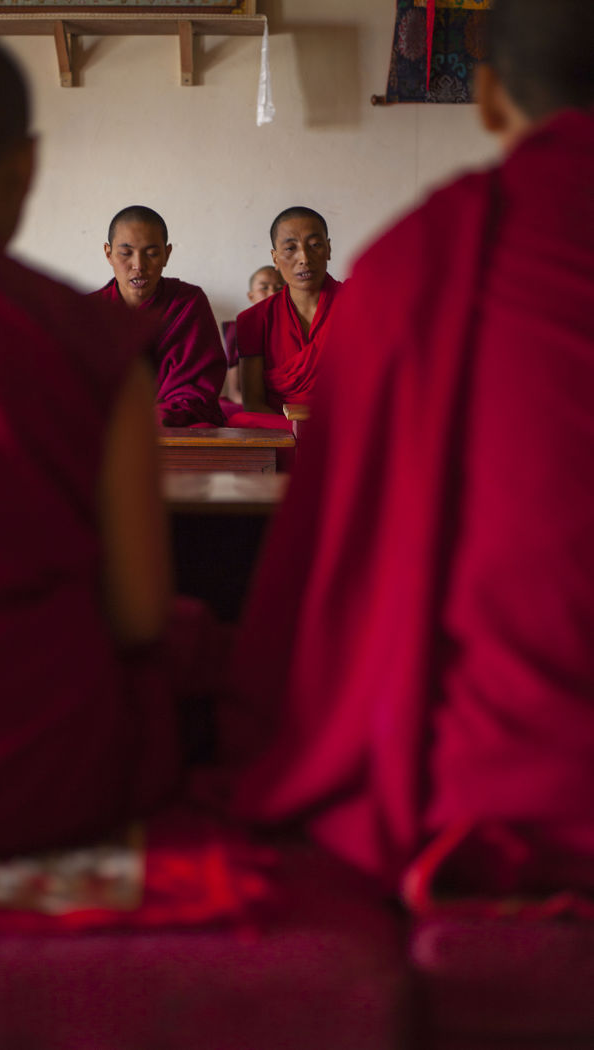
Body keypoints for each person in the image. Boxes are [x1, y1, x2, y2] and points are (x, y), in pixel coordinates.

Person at [220, 0, 594, 901]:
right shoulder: (291, 307)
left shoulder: (417, 262)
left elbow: (337, 544)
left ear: (493, 99)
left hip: (490, 770)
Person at [0, 27, 208, 861]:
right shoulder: (90, 336)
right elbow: (139, 613)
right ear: (27, 164)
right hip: (40, 776)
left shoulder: (138, 321)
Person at [94, 206, 226, 428]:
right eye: (126, 253)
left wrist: (146, 420)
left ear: (167, 254)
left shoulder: (188, 302)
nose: (139, 266)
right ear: (108, 254)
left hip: (176, 422)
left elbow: (199, 389)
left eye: (152, 253)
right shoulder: (91, 310)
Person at [236, 207, 343, 416]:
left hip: (345, 423)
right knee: (243, 420)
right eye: (290, 248)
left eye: (315, 245)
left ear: (328, 249)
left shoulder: (355, 303)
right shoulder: (254, 320)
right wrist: (297, 433)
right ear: (275, 258)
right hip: (281, 429)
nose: (304, 258)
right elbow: (254, 404)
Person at [221, 265, 285, 411]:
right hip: (248, 404)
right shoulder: (238, 329)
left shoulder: (297, 328)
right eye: (264, 287)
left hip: (289, 406)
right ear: (251, 296)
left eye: (279, 287)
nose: (273, 292)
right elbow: (234, 392)